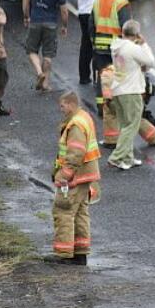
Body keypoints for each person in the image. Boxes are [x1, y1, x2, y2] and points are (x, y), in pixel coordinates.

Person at [50, 91, 100, 265]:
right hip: (86, 173)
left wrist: (64, 174)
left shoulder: (76, 124)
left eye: (63, 106)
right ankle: (80, 253)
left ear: (70, 104)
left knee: (63, 210)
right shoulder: (83, 117)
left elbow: (76, 152)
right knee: (80, 213)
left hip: (75, 175)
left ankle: (64, 254)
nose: (61, 110)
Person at [107, 20, 155, 170]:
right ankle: (116, 157)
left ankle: (128, 158)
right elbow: (151, 62)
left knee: (124, 125)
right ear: (136, 34)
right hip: (131, 90)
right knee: (132, 126)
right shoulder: (132, 48)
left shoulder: (116, 46)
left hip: (118, 89)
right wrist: (144, 44)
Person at [23, 0, 69, 92]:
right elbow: (64, 11)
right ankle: (45, 84)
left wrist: (26, 16)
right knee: (48, 54)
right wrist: (64, 26)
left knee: (31, 50)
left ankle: (39, 73)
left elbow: (26, 0)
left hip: (35, 22)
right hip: (51, 24)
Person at [89, 0, 131, 112]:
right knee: (119, 77)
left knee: (103, 77)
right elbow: (127, 27)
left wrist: (94, 42)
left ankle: (102, 106)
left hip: (100, 47)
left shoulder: (96, 2)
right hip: (117, 47)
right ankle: (118, 107)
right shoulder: (121, 3)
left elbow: (91, 26)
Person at [98, 63, 155, 151]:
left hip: (113, 100)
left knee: (110, 114)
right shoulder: (134, 74)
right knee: (135, 118)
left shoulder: (108, 73)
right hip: (127, 99)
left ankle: (112, 141)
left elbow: (105, 95)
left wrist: (106, 103)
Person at [75, 0, 107, 85]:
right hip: (91, 12)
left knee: (85, 44)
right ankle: (93, 75)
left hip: (82, 11)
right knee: (94, 44)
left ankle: (84, 75)